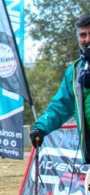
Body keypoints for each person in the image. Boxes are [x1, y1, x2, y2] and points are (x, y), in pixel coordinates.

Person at [30, 14, 90, 163]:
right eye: (83, 35)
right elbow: (60, 106)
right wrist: (41, 128)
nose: (87, 39)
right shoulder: (75, 72)